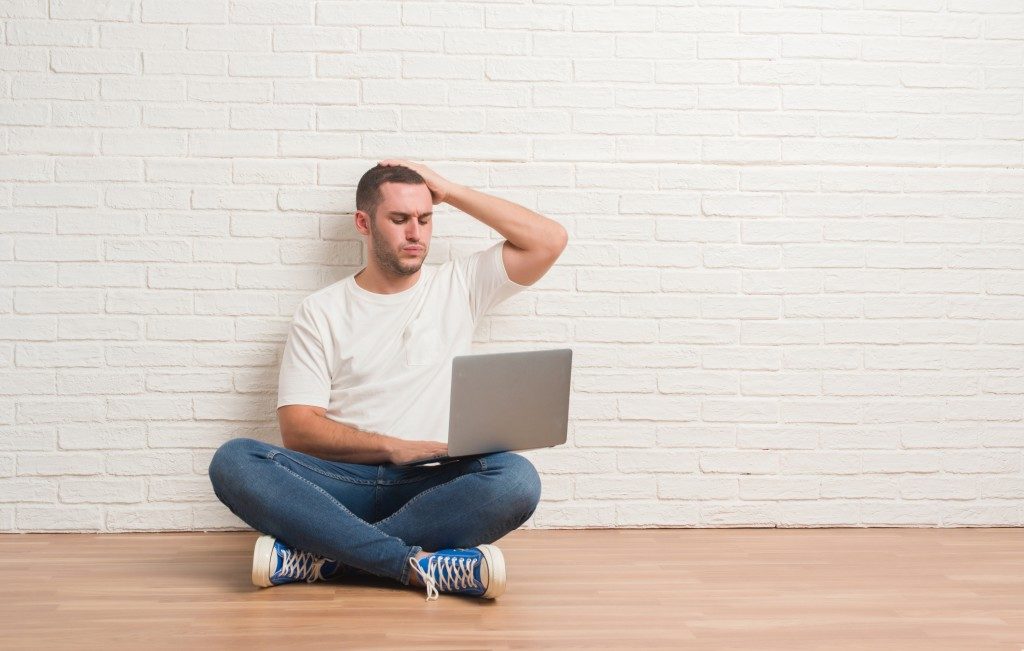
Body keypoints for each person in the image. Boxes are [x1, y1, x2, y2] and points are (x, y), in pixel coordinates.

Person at [207, 159, 569, 601]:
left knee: (516, 478)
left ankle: (325, 559)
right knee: (234, 460)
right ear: (364, 222)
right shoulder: (320, 312)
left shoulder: (459, 285)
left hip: (430, 485)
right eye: (399, 219)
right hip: (341, 485)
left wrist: (448, 189)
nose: (415, 233)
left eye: (425, 218)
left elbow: (549, 241)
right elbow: (298, 430)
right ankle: (413, 566)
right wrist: (392, 446)